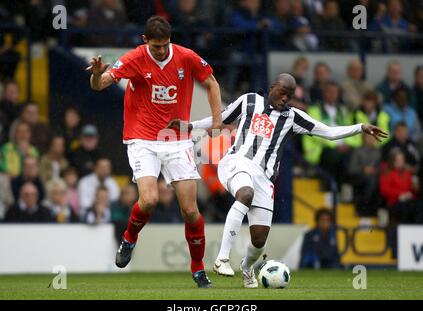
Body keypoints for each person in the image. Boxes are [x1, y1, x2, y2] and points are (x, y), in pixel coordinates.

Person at [168, 73, 387, 288]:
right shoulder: (249, 100)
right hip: (237, 162)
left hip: (264, 178)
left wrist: (360, 128)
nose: (285, 99)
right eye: (282, 93)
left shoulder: (292, 117)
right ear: (273, 87)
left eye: (289, 96)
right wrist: (189, 126)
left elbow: (328, 132)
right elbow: (219, 120)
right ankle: (222, 259)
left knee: (259, 238)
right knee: (245, 194)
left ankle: (247, 267)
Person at [86, 15, 222, 287]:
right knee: (148, 200)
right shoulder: (134, 58)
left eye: (165, 45)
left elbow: (212, 83)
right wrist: (96, 74)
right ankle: (129, 239)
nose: (162, 50)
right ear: (145, 40)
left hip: (176, 138)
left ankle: (198, 268)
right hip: (142, 139)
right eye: (156, 46)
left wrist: (217, 120)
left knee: (190, 210)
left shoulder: (185, 56)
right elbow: (100, 86)